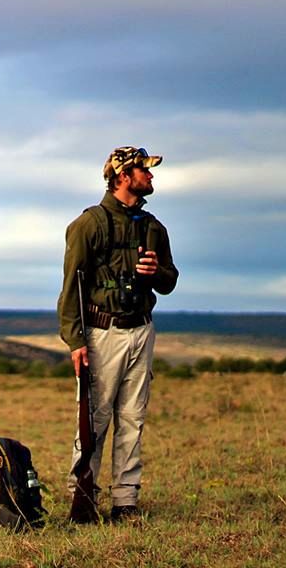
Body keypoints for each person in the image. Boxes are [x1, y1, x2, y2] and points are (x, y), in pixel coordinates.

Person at [57, 146, 179, 521]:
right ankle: (84, 495)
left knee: (133, 417)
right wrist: (76, 341)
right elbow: (70, 289)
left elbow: (170, 282)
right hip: (101, 331)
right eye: (145, 170)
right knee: (94, 418)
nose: (151, 176)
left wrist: (156, 271)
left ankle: (125, 501)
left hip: (141, 330)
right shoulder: (88, 225)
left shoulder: (153, 227)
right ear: (123, 176)